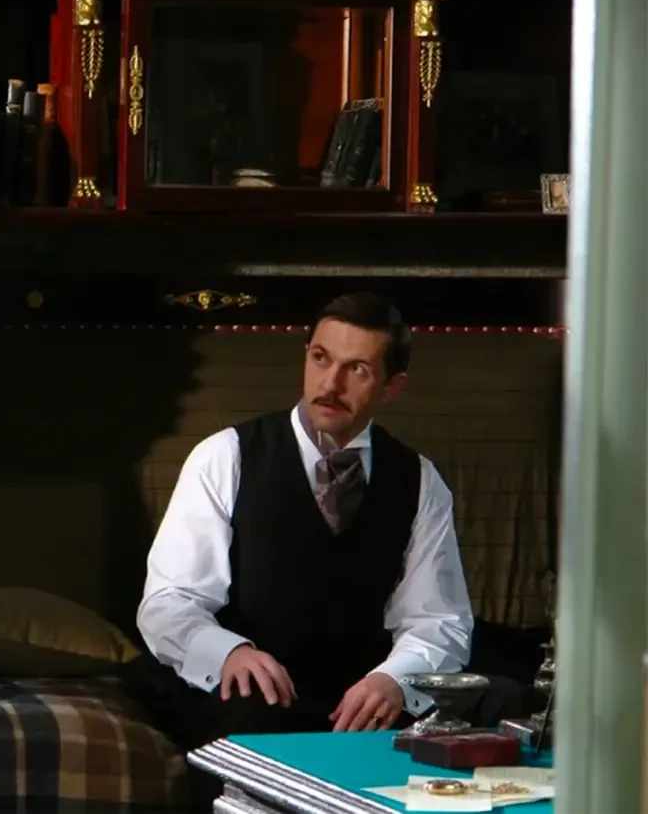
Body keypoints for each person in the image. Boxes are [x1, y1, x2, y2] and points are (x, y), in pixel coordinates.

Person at [131, 293, 487, 802]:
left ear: (392, 386)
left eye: (357, 369)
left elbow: (439, 621)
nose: (330, 384)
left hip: (357, 695)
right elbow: (170, 602)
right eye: (321, 359)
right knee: (248, 730)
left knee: (481, 714)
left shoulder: (419, 480)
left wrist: (394, 680)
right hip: (247, 694)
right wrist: (229, 653)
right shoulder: (225, 456)